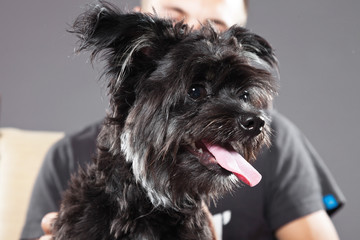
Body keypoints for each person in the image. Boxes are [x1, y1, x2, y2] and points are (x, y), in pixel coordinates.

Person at [20, 0, 345, 239]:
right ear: (140, 58)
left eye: (216, 27)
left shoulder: (279, 142)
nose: (195, 34)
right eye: (196, 90)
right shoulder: (64, 157)